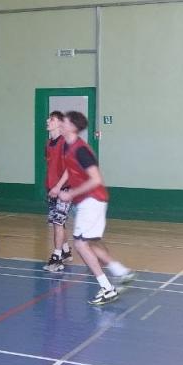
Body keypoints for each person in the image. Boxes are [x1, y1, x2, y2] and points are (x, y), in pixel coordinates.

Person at [58, 111, 134, 305]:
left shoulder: (81, 150)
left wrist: (71, 193)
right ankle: (121, 272)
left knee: (80, 244)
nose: (61, 123)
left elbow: (96, 179)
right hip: (88, 201)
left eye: (64, 121)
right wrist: (61, 187)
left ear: (72, 127)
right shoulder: (67, 145)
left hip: (92, 200)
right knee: (90, 242)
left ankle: (107, 288)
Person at [42, 110, 74, 272]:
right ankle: (66, 251)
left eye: (52, 119)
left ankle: (57, 258)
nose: (48, 121)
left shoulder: (65, 142)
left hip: (65, 189)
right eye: (48, 119)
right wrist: (51, 186)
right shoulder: (48, 144)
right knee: (58, 223)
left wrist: (58, 186)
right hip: (52, 189)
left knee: (58, 223)